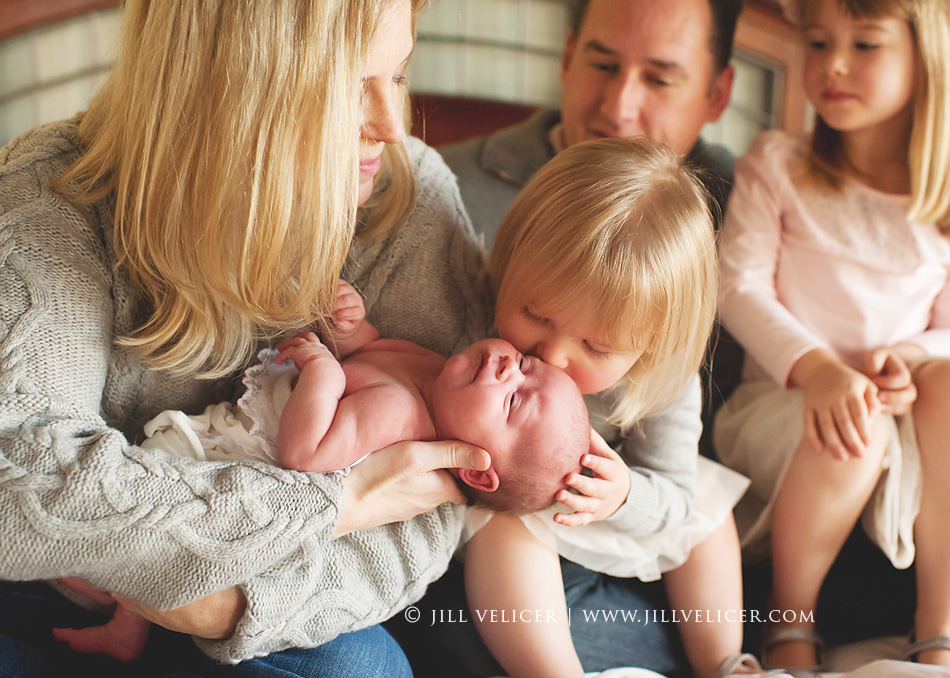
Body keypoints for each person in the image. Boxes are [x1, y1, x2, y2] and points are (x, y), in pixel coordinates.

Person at [0, 0, 498, 675]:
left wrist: (216, 603)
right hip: (50, 592)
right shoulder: (54, 190)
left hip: (253, 591)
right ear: (232, 91)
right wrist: (336, 504)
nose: (390, 123)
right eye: (350, 86)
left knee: (364, 669)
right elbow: (18, 488)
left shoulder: (409, 200)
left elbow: (423, 518)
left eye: (400, 76)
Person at [53, 306, 590, 662]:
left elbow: (305, 453)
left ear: (475, 467)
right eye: (523, 363)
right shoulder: (434, 370)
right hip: (248, 440)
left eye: (514, 399)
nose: (505, 366)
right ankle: (126, 618)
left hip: (234, 463)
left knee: (152, 485)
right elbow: (372, 352)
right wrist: (353, 328)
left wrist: (324, 372)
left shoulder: (400, 415)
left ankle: (119, 608)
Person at [403, 139, 753, 678]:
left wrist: (624, 495)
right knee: (509, 529)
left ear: (654, 343)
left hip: (608, 510)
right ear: (509, 256)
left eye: (596, 347)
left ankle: (727, 663)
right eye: (535, 314)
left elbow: (677, 498)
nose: (554, 354)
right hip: (519, 512)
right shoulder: (481, 329)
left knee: (711, 507)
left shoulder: (664, 381)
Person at [714, 0, 950, 670]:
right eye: (817, 42)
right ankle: (789, 625)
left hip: (901, 414)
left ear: (924, 58)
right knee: (855, 420)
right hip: (785, 409)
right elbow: (737, 286)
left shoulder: (942, 200)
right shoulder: (779, 162)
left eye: (866, 45)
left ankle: (938, 629)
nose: (833, 65)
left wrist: (909, 357)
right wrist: (817, 369)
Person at [440, 0, 742, 247]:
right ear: (568, 58)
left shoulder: (746, 211)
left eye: (659, 80)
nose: (617, 109)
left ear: (717, 95)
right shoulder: (442, 192)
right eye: (603, 66)